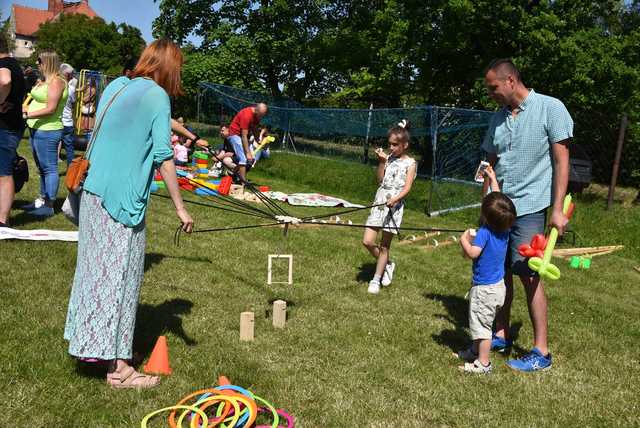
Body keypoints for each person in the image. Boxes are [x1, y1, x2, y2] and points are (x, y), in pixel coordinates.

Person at [63, 39, 194, 389]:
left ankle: (95, 348)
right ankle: (119, 369)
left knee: (93, 276)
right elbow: (164, 158)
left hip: (92, 193)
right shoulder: (157, 97)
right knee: (120, 280)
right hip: (122, 202)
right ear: (168, 67)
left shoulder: (117, 86)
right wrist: (181, 208)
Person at [482, 58, 572, 372]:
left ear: (510, 81)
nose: (490, 93)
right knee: (499, 271)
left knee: (528, 273)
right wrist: (485, 198)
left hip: (531, 206)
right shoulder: (498, 118)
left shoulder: (551, 107)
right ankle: (502, 333)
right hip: (499, 208)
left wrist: (558, 209)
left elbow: (562, 161)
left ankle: (541, 351)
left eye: (493, 87)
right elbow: (490, 161)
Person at [456, 166, 516, 373]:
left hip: (484, 290)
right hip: (499, 287)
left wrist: (463, 240)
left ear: (486, 216)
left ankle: (483, 363)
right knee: (481, 322)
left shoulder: (484, 232)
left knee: (482, 328)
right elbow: (499, 202)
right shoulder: (505, 230)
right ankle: (474, 351)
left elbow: (473, 253)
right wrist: (492, 178)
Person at [362, 120, 416, 295]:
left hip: (394, 206)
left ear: (405, 145)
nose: (391, 147)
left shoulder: (411, 163)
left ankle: (376, 279)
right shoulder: (388, 158)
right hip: (379, 203)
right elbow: (379, 180)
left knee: (384, 245)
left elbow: (407, 187)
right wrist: (382, 162)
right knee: (368, 241)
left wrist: (396, 199)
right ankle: (388, 264)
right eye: (390, 144)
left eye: (395, 145)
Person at [22, 51, 68, 217]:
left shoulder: (57, 81)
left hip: (48, 130)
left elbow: (50, 109)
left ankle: (49, 205)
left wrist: (27, 114)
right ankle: (42, 200)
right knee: (42, 168)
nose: (37, 63)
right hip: (36, 129)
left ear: (47, 62)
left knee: (49, 169)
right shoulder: (45, 80)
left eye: (39, 61)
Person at [0, 35, 26, 227]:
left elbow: (4, 81)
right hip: (10, 126)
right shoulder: (13, 63)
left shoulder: (4, 64)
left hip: (5, 127)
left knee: (4, 172)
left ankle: (2, 221)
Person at [227, 103, 268, 181]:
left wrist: (257, 140)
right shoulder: (246, 115)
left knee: (251, 159)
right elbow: (244, 136)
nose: (261, 117)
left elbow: (255, 128)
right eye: (260, 115)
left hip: (242, 136)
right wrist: (247, 153)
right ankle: (243, 182)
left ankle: (233, 173)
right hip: (234, 134)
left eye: (263, 115)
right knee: (244, 158)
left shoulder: (256, 116)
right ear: (256, 110)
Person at [59, 63, 77, 167]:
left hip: (59, 122)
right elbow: (73, 103)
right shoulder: (71, 89)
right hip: (68, 122)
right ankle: (71, 170)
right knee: (69, 148)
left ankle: (48, 171)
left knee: (53, 147)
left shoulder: (56, 86)